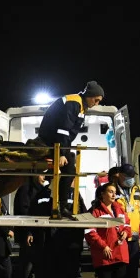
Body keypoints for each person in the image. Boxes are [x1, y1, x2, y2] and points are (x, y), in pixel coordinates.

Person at [34, 81, 104, 216]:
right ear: (89, 95)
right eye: (96, 100)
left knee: (69, 167)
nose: (97, 103)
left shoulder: (81, 106)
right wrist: (61, 154)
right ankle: (61, 205)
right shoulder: (74, 103)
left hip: (56, 142)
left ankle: (61, 204)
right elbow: (63, 131)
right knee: (70, 168)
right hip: (50, 142)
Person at [82, 183, 130, 278]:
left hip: (120, 251)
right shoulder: (95, 211)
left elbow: (127, 223)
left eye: (114, 192)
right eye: (110, 192)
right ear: (102, 194)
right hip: (105, 254)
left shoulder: (119, 208)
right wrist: (103, 246)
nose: (114, 195)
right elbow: (90, 232)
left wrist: (125, 233)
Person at [11, 173, 51, 278]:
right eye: (42, 174)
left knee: (29, 270)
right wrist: (28, 232)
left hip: (36, 235)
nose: (44, 177)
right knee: (27, 270)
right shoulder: (26, 190)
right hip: (29, 237)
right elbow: (24, 212)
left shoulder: (39, 189)